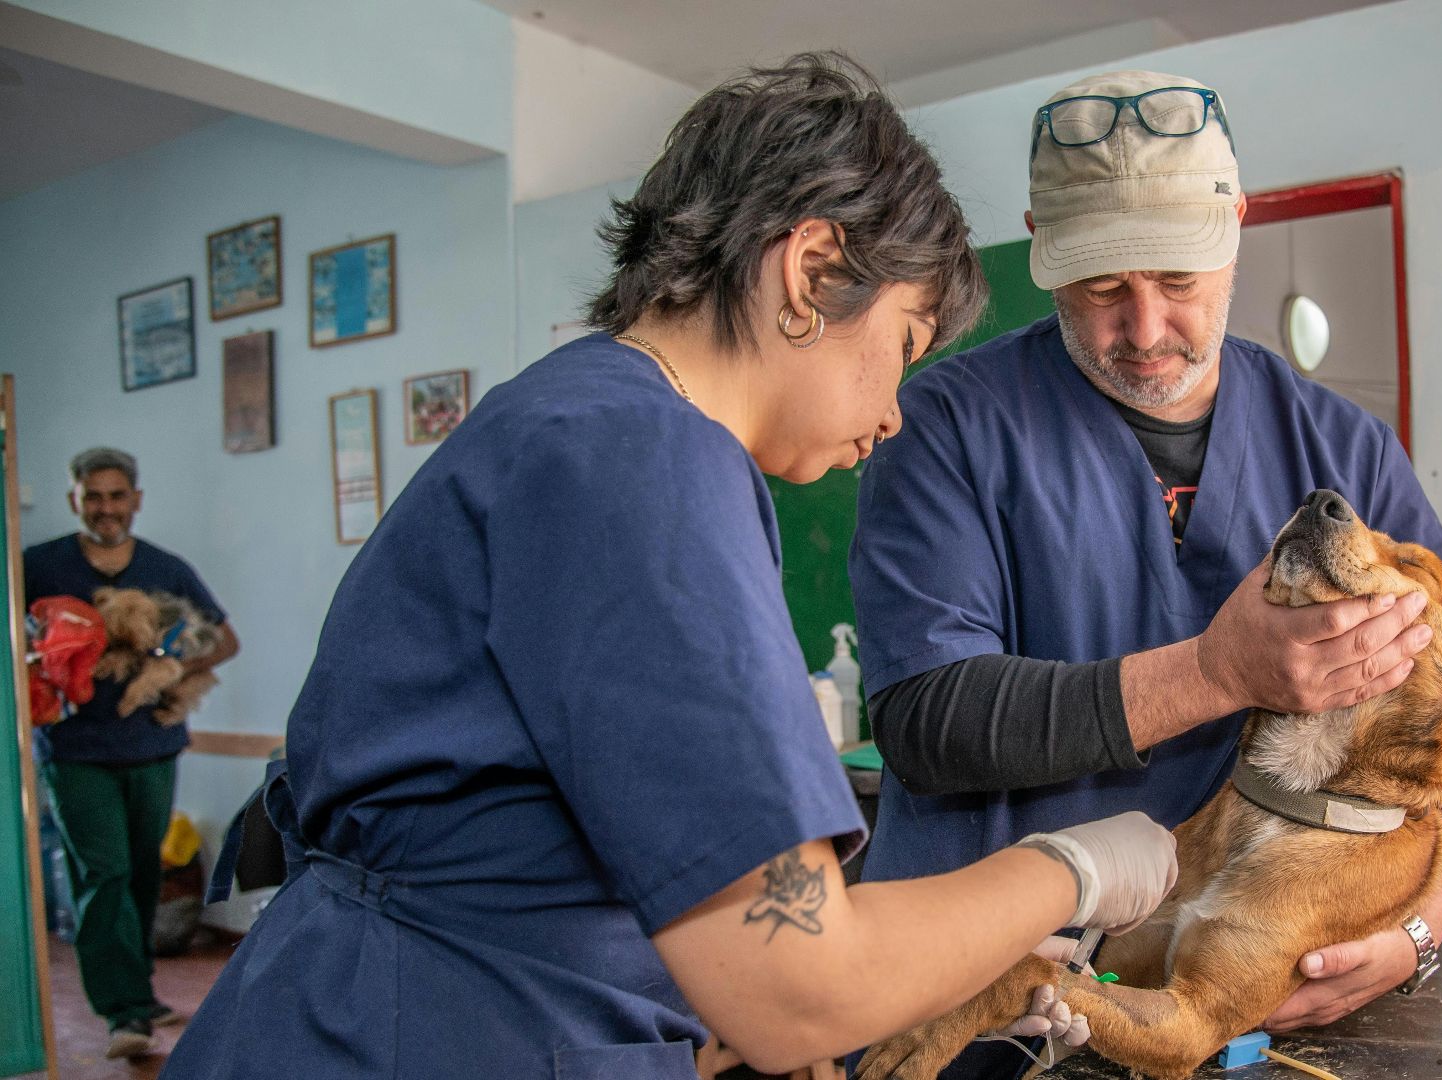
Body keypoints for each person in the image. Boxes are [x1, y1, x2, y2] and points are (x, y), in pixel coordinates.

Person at [161, 56, 1178, 1080]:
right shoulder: (648, 458)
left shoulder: (569, 419)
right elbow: (800, 989)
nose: (893, 413)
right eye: (905, 344)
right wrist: (1071, 868)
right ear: (814, 268)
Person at [850, 70, 1442, 1075]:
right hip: (971, 1016)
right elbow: (925, 720)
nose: (1147, 327)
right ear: (1040, 241)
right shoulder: (945, 428)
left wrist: (1420, 924)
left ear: (1237, 229)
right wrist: (1218, 674)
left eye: (1178, 280)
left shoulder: (1342, 450)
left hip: (1242, 1028)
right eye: (1103, 286)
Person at [24, 447, 240, 1059]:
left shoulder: (165, 568)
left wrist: (173, 667)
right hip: (73, 749)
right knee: (104, 872)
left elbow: (225, 640)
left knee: (144, 872)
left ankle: (139, 995)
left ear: (136, 500)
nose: (106, 508)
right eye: (94, 496)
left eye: (117, 496)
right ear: (75, 501)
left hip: (152, 746)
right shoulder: (39, 566)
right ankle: (122, 1013)